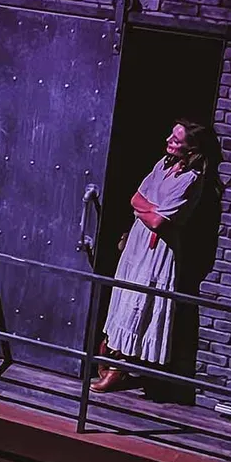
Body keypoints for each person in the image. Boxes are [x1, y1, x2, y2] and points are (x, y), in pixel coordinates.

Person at [91, 119, 211, 394]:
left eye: (177, 139)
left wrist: (148, 212)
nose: (169, 139)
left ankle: (120, 368)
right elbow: (135, 199)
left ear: (191, 148)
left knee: (139, 303)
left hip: (158, 250)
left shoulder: (191, 180)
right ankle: (111, 354)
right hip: (137, 243)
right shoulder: (163, 165)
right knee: (124, 297)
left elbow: (159, 222)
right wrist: (149, 210)